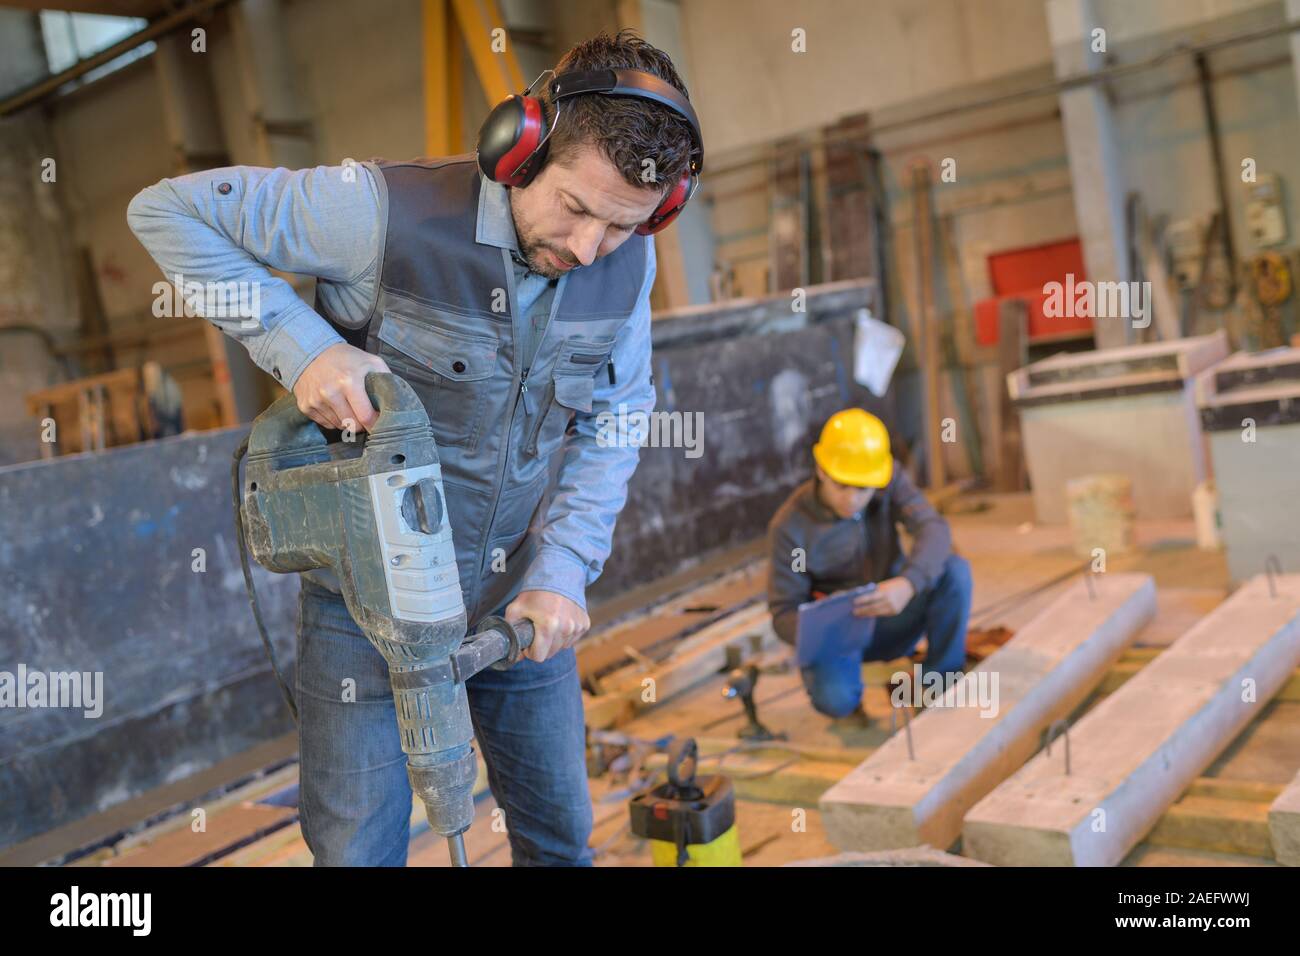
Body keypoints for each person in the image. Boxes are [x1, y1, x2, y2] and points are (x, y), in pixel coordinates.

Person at [127, 30, 702, 866]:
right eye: (576, 209)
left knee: (560, 838)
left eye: (621, 227)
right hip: (363, 603)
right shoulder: (377, 213)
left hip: (517, 599)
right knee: (358, 848)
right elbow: (167, 211)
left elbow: (617, 415)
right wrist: (304, 347)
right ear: (523, 146)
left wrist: (565, 566)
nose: (587, 249)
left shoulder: (627, 266)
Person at [766, 409, 971, 721]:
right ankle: (847, 697)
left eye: (862, 489)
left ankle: (937, 689)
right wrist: (820, 633)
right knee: (836, 700)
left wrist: (908, 584)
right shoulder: (790, 526)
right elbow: (783, 612)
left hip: (892, 613)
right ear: (821, 470)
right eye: (841, 486)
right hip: (837, 637)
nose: (851, 499)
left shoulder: (889, 480)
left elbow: (934, 529)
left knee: (955, 572)